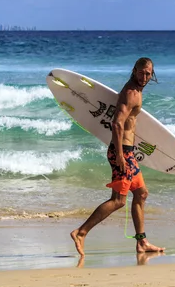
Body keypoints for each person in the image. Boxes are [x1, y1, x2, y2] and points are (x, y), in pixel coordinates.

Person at [71, 57, 165, 257]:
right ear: (134, 70)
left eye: (148, 73)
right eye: (142, 72)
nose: (145, 77)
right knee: (119, 200)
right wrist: (121, 156)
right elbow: (116, 124)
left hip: (128, 152)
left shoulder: (137, 91)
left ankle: (142, 243)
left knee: (141, 194)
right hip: (121, 152)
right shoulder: (131, 93)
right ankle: (81, 232)